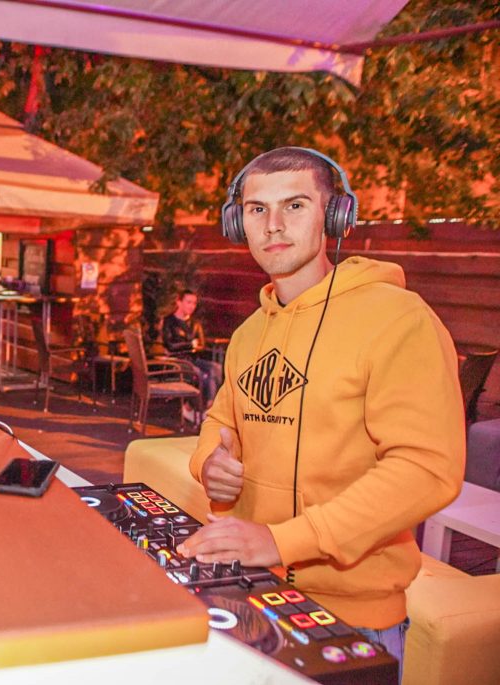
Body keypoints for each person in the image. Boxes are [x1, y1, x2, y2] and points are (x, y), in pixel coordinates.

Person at [176, 147, 464, 669]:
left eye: (295, 205)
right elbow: (221, 420)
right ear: (238, 223)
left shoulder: (399, 319)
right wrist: (209, 463)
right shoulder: (249, 333)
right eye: (257, 209)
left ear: (335, 216)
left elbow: (426, 468)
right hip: (250, 592)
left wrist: (282, 540)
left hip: (354, 618)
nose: (273, 225)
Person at [161, 289, 222, 417]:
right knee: (202, 375)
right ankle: (191, 407)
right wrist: (190, 345)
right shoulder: (169, 321)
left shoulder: (195, 323)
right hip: (178, 361)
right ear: (179, 302)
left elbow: (202, 345)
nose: (192, 306)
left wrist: (192, 347)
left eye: (194, 303)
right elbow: (170, 345)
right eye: (188, 302)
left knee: (216, 369)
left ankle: (209, 407)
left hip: (194, 358)